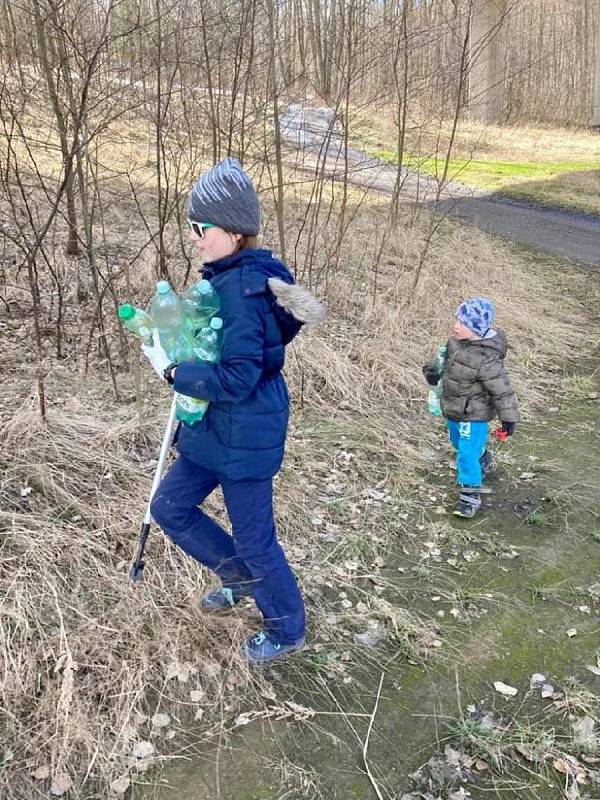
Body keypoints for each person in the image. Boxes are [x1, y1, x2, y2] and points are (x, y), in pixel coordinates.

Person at [141, 157, 325, 663]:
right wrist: (176, 344)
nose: (195, 237)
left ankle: (288, 627)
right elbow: (214, 352)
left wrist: (175, 373)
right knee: (170, 507)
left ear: (232, 230)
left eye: (201, 228)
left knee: (256, 538)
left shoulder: (242, 293)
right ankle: (237, 574)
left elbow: (240, 376)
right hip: (211, 432)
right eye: (192, 228)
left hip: (244, 436)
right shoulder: (225, 280)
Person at [423, 297, 519, 518]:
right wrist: (433, 371)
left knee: (466, 455)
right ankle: (483, 457)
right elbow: (443, 364)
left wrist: (509, 418)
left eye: (463, 323)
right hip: (454, 408)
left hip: (474, 414)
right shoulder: (454, 343)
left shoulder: (488, 358)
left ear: (476, 328)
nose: (456, 325)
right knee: (458, 443)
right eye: (457, 320)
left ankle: (469, 496)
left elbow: (502, 390)